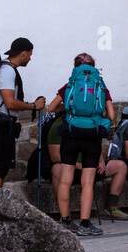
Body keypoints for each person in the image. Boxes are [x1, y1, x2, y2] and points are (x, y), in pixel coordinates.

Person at [44, 53, 115, 236]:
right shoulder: (100, 85)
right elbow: (112, 115)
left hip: (71, 134)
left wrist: (69, 112)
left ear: (75, 66)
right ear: (94, 66)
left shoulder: (70, 84)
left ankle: (65, 220)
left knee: (66, 179)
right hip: (92, 136)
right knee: (88, 182)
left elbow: (51, 108)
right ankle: (85, 223)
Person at [47, 110, 128, 222]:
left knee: (120, 166)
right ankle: (65, 214)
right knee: (56, 169)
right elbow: (55, 156)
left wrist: (101, 160)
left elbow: (96, 144)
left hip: (91, 164)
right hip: (72, 167)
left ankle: (112, 207)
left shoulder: (93, 122)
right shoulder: (59, 125)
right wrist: (79, 165)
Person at [0, 37, 45, 189]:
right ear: (23, 53)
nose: (30, 58)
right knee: (0, 166)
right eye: (30, 54)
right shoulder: (7, 71)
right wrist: (33, 106)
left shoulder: (7, 69)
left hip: (1, 122)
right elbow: (10, 102)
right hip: (1, 123)